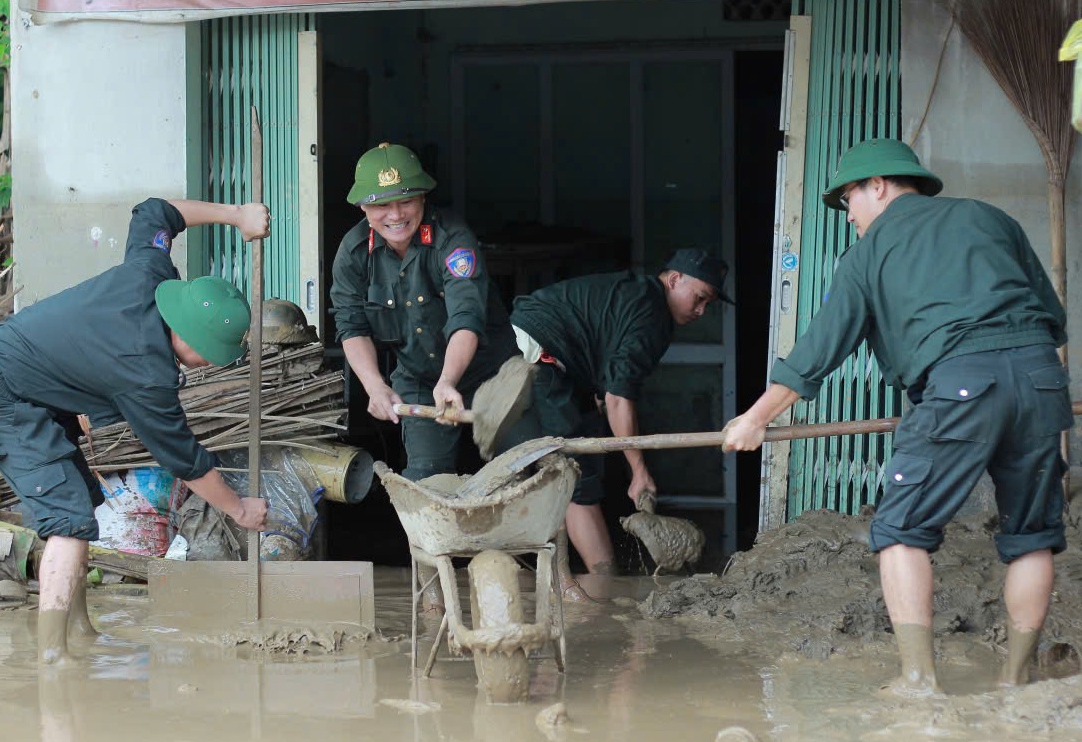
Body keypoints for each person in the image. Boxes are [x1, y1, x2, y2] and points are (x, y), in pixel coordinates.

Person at [722, 138, 1071, 696]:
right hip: (1041, 378)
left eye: (849, 202)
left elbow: (820, 350)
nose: (850, 216)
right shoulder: (989, 218)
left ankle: (917, 680)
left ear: (878, 186)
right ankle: (1015, 681)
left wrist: (754, 419)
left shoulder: (870, 249)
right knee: (1031, 536)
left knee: (901, 532)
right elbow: (1053, 319)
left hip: (961, 384)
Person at [0, 197, 271, 666]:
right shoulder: (145, 372)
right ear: (185, 333)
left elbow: (156, 211)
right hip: (7, 401)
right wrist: (240, 508)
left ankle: (80, 628)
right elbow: (184, 459)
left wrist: (236, 216)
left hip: (38, 387)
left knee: (80, 506)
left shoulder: (152, 272)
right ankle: (51, 655)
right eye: (209, 351)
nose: (209, 363)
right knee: (67, 519)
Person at [329, 142, 516, 611]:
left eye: (406, 200)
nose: (395, 214)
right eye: (381, 204)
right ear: (362, 206)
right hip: (415, 376)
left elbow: (466, 317)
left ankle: (561, 584)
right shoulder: (354, 253)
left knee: (527, 472)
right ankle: (433, 598)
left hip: (493, 376)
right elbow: (351, 327)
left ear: (424, 199)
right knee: (426, 485)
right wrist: (375, 386)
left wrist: (450, 380)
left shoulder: (453, 240)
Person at [498, 249, 732, 597]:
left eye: (707, 304)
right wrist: (639, 470)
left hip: (534, 352)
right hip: (537, 356)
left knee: (564, 464)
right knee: (574, 474)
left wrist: (599, 398)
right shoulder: (652, 314)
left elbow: (606, 380)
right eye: (699, 298)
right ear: (674, 279)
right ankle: (604, 585)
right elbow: (619, 398)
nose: (700, 310)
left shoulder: (637, 295)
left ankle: (552, 579)